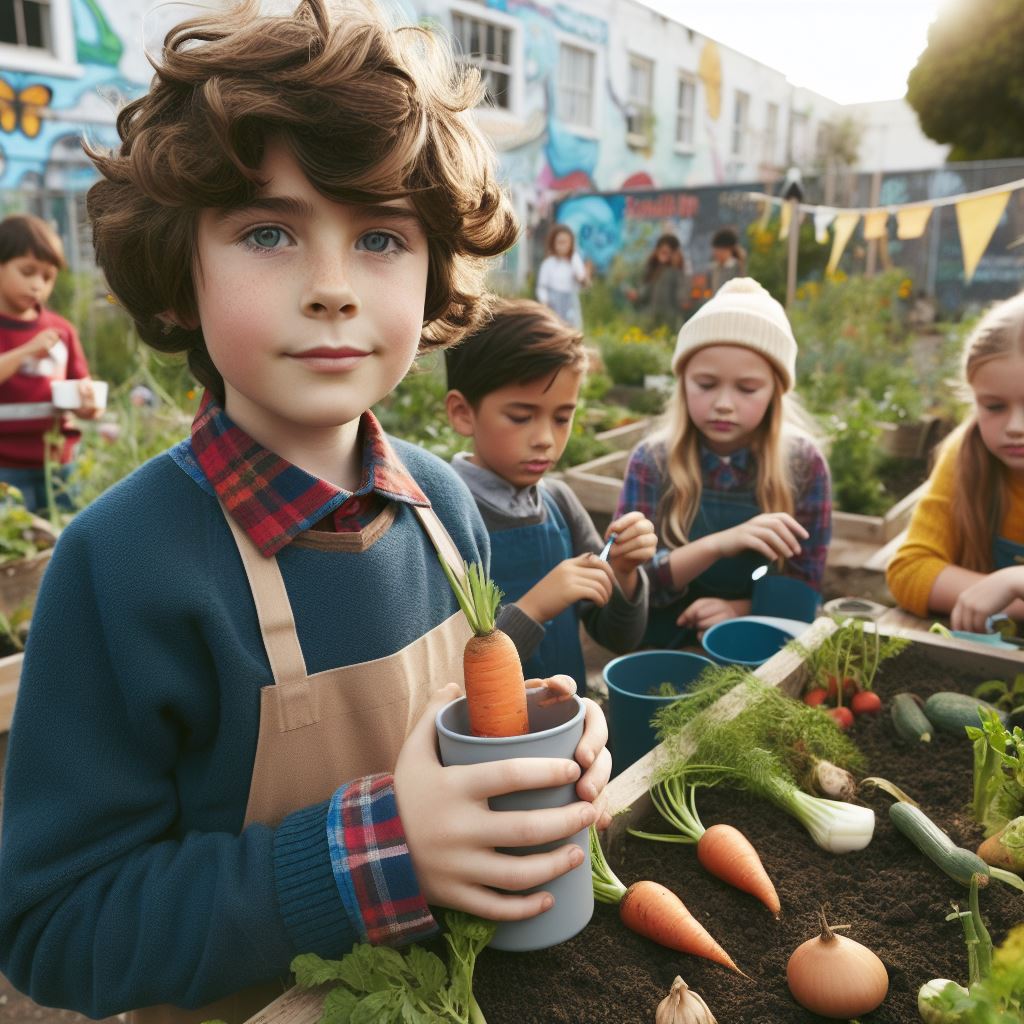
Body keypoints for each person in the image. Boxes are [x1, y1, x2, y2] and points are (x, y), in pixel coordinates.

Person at [0, 3, 612, 1021]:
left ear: (433, 276)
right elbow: (55, 928)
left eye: (378, 235)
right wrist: (382, 850)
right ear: (178, 272)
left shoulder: (444, 509)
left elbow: (460, 712)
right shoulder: (125, 566)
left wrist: (532, 739)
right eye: (268, 231)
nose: (331, 287)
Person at [444, 297, 656, 691]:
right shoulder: (443, 516)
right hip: (490, 747)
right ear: (463, 413)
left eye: (562, 418)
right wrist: (534, 608)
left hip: (569, 729)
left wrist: (625, 573)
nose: (545, 439)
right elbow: (449, 674)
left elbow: (618, 637)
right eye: (521, 417)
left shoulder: (560, 504)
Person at [614, 278, 832, 647]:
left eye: (747, 389)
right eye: (706, 384)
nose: (724, 404)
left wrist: (739, 609)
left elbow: (803, 582)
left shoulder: (804, 465)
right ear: (683, 382)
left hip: (755, 642)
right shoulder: (651, 462)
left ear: (776, 392)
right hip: (661, 645)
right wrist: (718, 544)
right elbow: (632, 580)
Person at [887, 291, 1024, 631]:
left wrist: (1012, 584)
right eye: (994, 407)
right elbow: (909, 570)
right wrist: (1004, 593)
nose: (1015, 427)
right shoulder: (964, 454)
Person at [0, 214, 102, 512]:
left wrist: (89, 405)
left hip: (59, 465)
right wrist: (26, 352)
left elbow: (81, 387)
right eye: (27, 271)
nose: (36, 285)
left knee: (63, 542)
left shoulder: (61, 331)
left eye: (46, 277)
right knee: (16, 550)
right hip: (5, 469)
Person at [626, 233, 689, 333]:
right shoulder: (652, 269)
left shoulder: (678, 272)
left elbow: (682, 299)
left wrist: (675, 266)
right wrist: (636, 295)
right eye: (662, 251)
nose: (663, 255)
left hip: (670, 322)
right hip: (651, 320)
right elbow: (644, 293)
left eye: (667, 252)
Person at [535, 223, 589, 329]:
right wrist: (544, 302)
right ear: (553, 243)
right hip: (553, 303)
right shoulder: (548, 264)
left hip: (570, 303)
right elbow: (542, 286)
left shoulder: (574, 260)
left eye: (565, 242)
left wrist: (579, 270)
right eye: (559, 242)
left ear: (571, 243)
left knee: (571, 329)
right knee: (554, 329)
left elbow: (583, 282)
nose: (562, 246)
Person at [709, 227, 747, 294]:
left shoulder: (738, 268)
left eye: (718, 250)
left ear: (728, 250)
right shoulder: (714, 268)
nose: (715, 253)